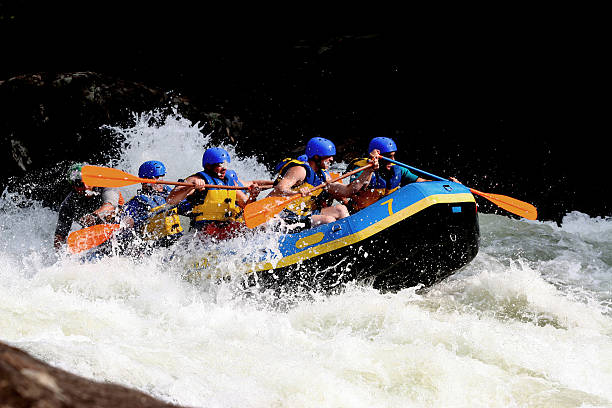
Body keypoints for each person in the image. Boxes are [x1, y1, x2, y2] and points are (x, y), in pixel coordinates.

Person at [269, 137, 378, 228]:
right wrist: (296, 193)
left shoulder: (323, 175)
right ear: (316, 156)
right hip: (284, 215)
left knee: (341, 209)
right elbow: (280, 188)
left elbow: (347, 191)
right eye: (328, 156)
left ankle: (349, 236)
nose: (331, 159)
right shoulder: (300, 170)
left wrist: (368, 171)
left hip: (303, 214)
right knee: (328, 220)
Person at [166, 147, 261, 240]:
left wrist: (253, 196)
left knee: (253, 229)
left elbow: (247, 206)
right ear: (208, 166)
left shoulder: (230, 182)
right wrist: (190, 187)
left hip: (224, 227)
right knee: (237, 230)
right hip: (204, 229)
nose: (224, 169)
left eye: (225, 165)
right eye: (220, 165)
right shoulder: (196, 179)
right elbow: (171, 200)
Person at [345, 137, 459, 212]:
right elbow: (356, 188)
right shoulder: (361, 169)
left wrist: (445, 182)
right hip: (360, 213)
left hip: (383, 214)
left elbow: (421, 182)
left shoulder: (398, 170)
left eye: (393, 156)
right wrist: (371, 168)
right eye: (388, 156)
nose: (393, 160)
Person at [119, 160, 190, 250]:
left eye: (161, 177)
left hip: (177, 239)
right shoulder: (136, 203)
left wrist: (187, 190)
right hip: (157, 246)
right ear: (145, 181)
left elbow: (187, 208)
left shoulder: (169, 193)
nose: (161, 182)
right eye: (157, 178)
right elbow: (123, 226)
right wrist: (132, 221)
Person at [54, 163, 123, 250]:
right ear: (74, 187)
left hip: (119, 223)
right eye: (80, 184)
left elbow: (110, 206)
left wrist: (94, 216)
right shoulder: (68, 204)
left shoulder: (106, 185)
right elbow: (60, 236)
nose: (86, 186)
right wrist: (60, 256)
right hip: (96, 233)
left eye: (88, 180)